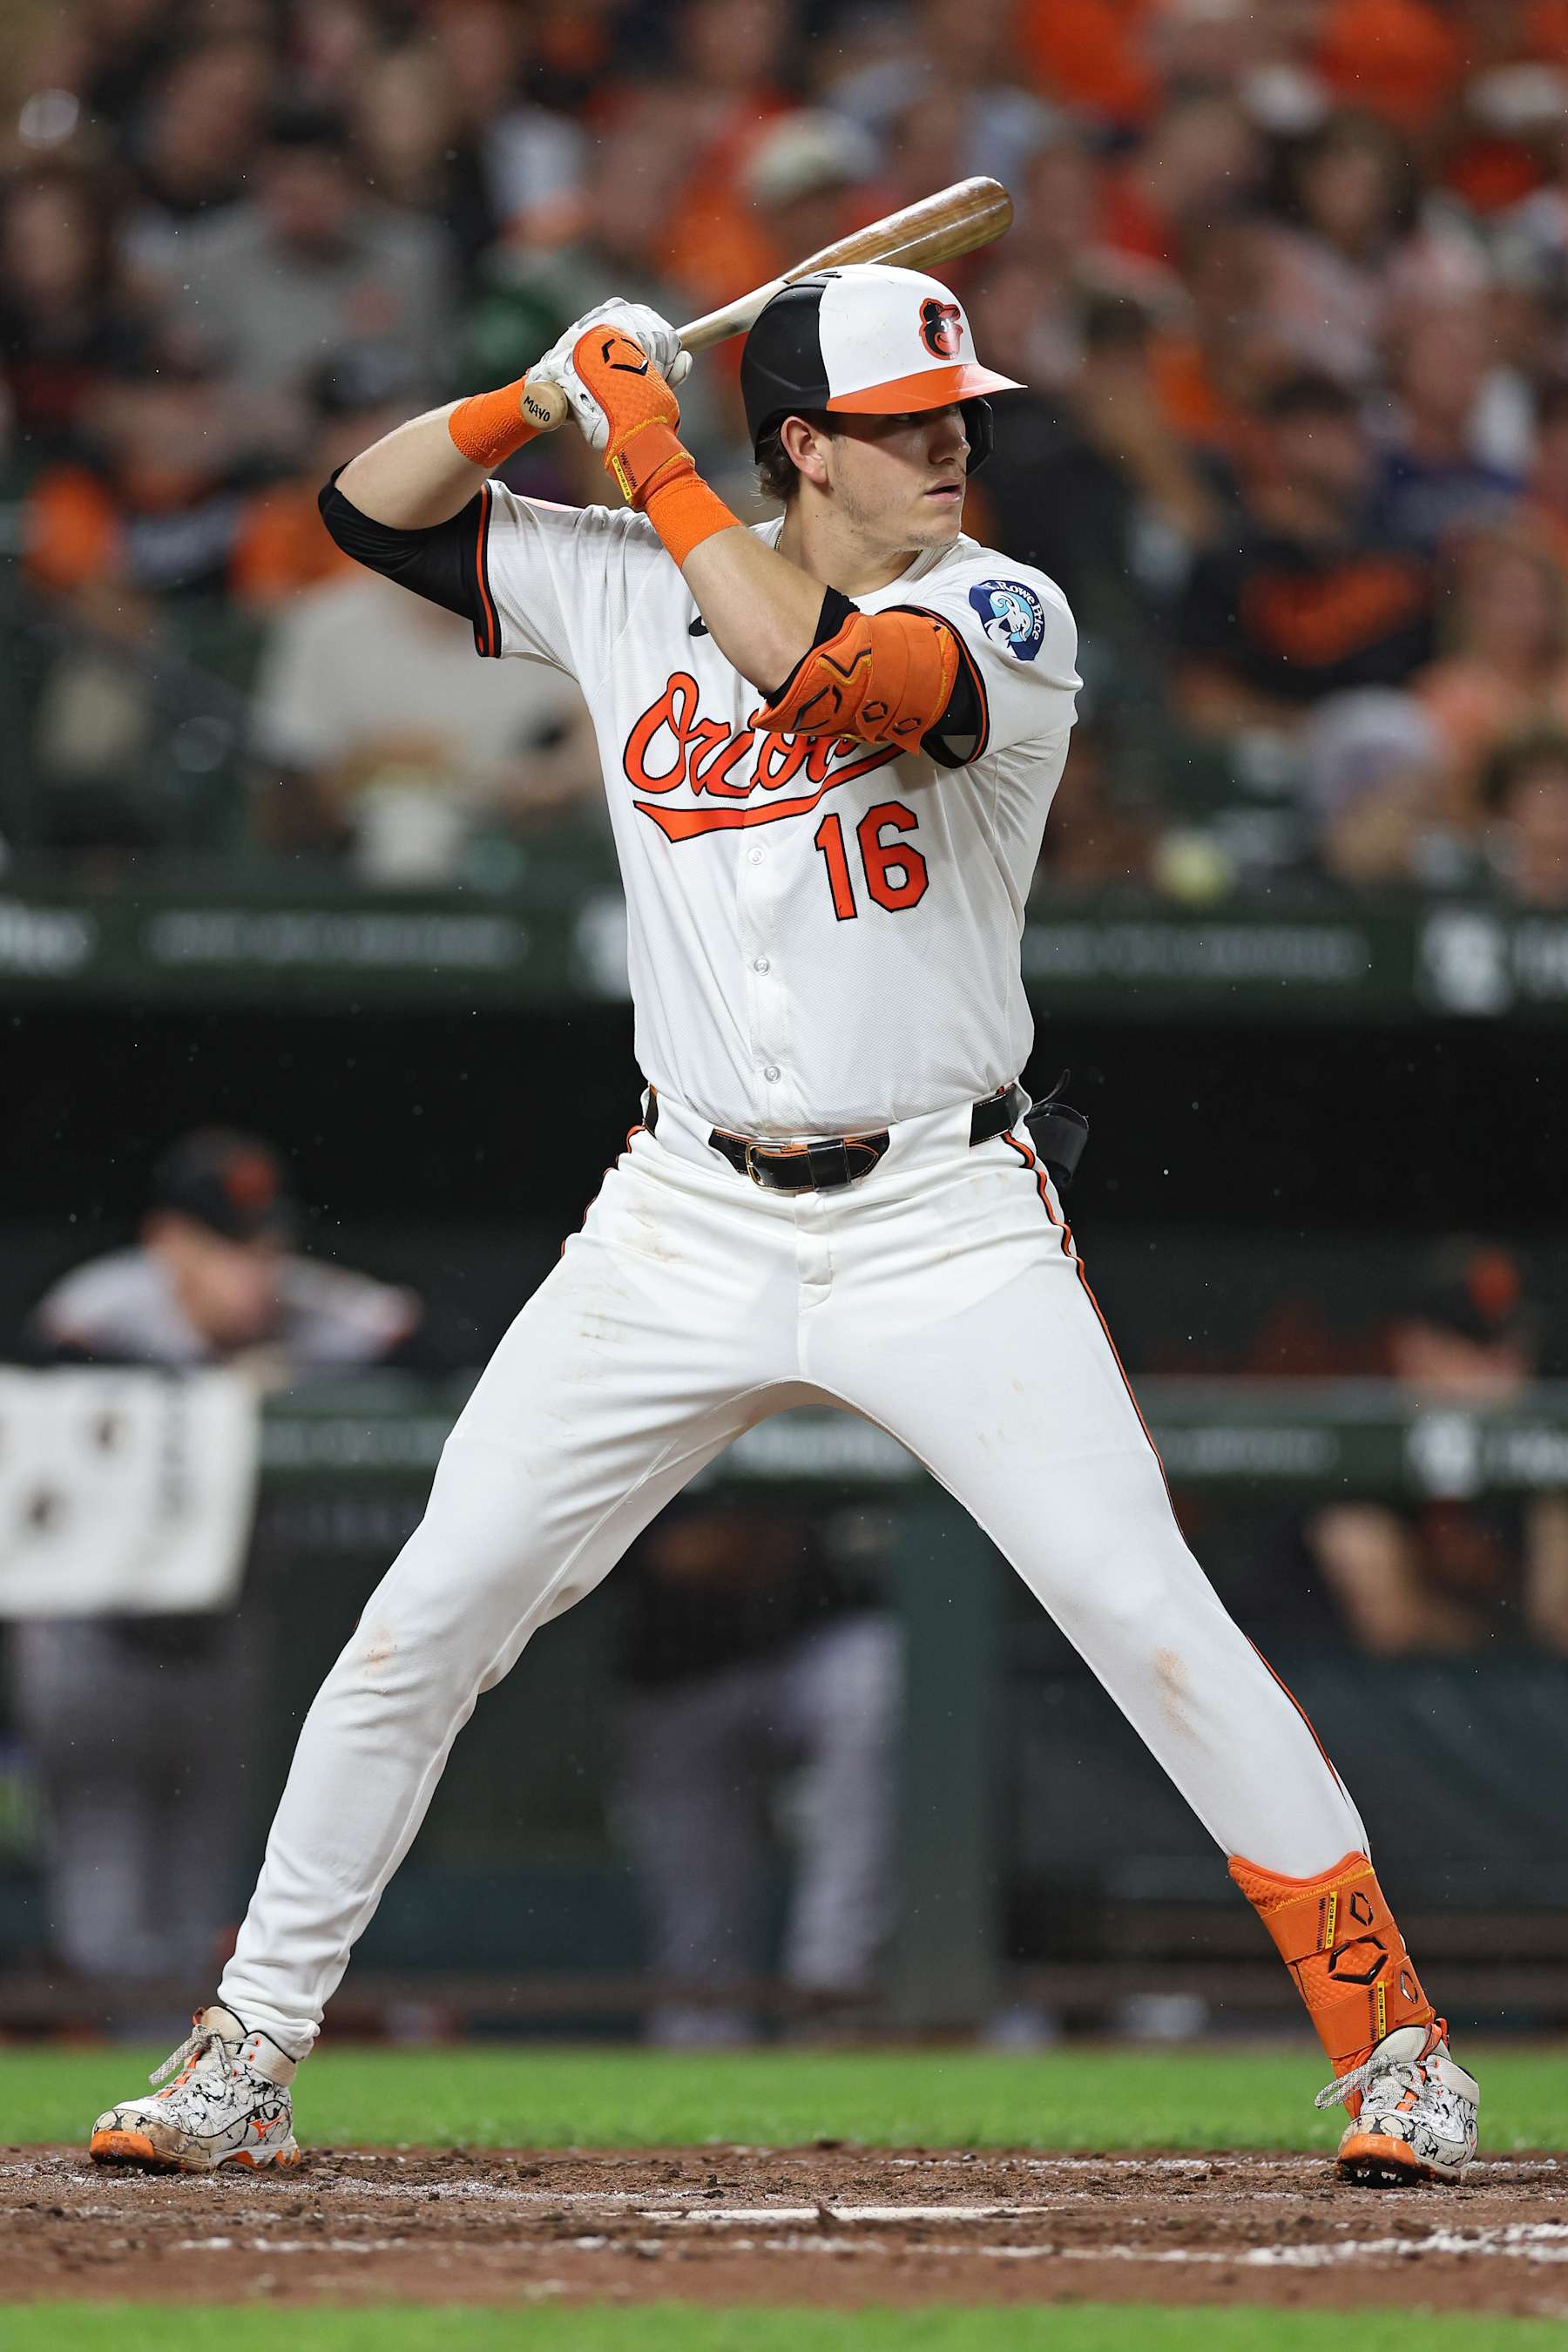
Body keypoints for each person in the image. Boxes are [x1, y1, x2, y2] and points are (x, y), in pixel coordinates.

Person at [89, 263, 1478, 2189]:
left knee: (1144, 1616)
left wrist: (646, 438)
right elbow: (362, 511)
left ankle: (1395, 2047)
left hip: (940, 1210)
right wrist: (530, 399)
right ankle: (248, 2045)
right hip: (681, 1211)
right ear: (808, 445)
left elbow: (827, 682)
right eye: (913, 425)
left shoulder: (999, 603)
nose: (956, 450)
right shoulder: (619, 567)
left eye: (961, 417)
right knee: (430, 1617)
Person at [10, 1130, 420, 1990]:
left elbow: (434, 1343)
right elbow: (39, 1358)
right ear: (168, 1243)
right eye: (228, 1249)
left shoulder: (303, 1305)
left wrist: (274, 1377)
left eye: (264, 1247)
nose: (255, 1272)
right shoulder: (107, 1303)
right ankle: (97, 2081)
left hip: (223, 1631)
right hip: (92, 1632)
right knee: (106, 1891)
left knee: (203, 1893)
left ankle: (180, 2083)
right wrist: (212, 1388)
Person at [614, 1502, 900, 2044]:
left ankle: (833, 2004)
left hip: (812, 1647)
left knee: (876, 1671)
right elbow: (682, 1556)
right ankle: (702, 2031)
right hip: (675, 1675)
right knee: (695, 1890)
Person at [1307, 1242, 1568, 1657]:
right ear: (1413, 1347)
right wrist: (1507, 1638)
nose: (1504, 1365)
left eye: (1515, 1340)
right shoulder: (1356, 1448)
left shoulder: (1543, 1461)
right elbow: (1393, 1626)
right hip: (1314, 1699)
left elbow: (1559, 1624)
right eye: (1476, 1342)